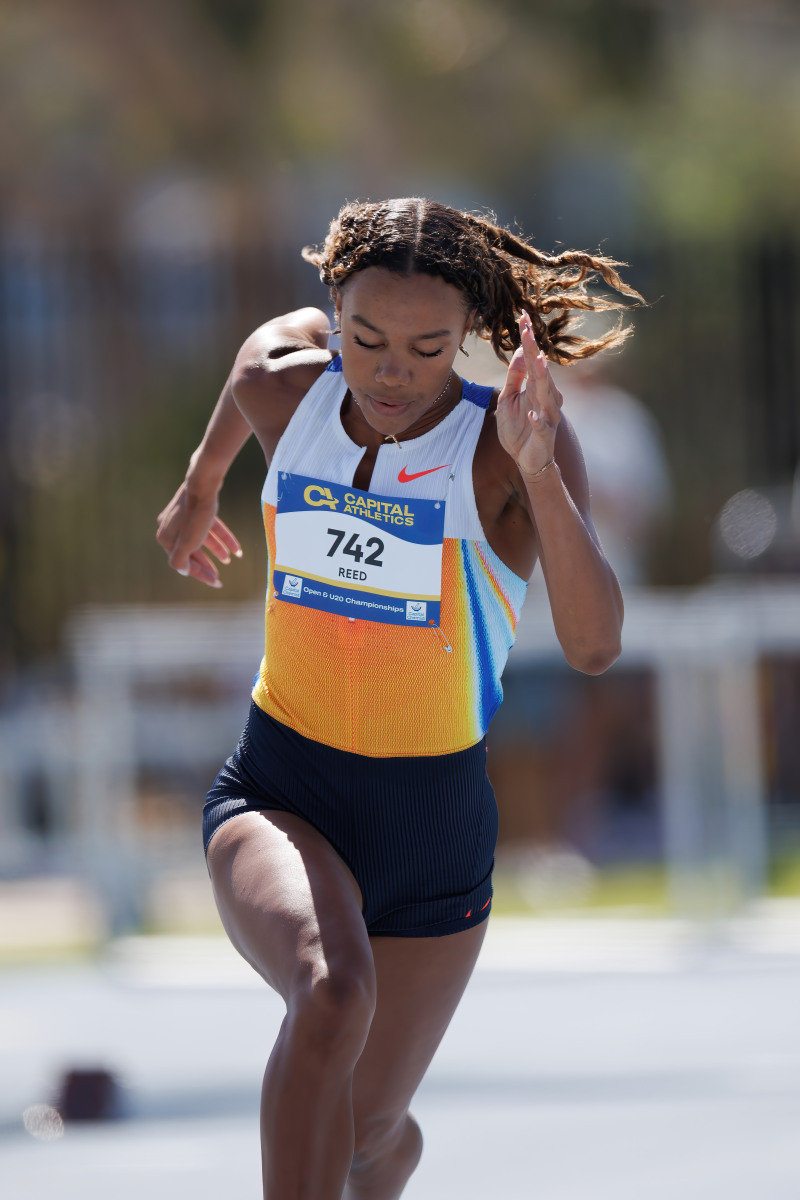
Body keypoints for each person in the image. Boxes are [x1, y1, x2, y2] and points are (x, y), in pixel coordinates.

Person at [156, 197, 635, 1200]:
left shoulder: (505, 446)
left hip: (433, 829)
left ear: (467, 336)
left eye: (425, 349)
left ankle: (386, 1156)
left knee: (364, 1135)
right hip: (280, 789)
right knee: (330, 995)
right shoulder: (288, 393)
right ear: (335, 311)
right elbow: (255, 360)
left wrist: (543, 473)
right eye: (366, 339)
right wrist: (199, 485)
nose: (389, 374)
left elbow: (594, 647)